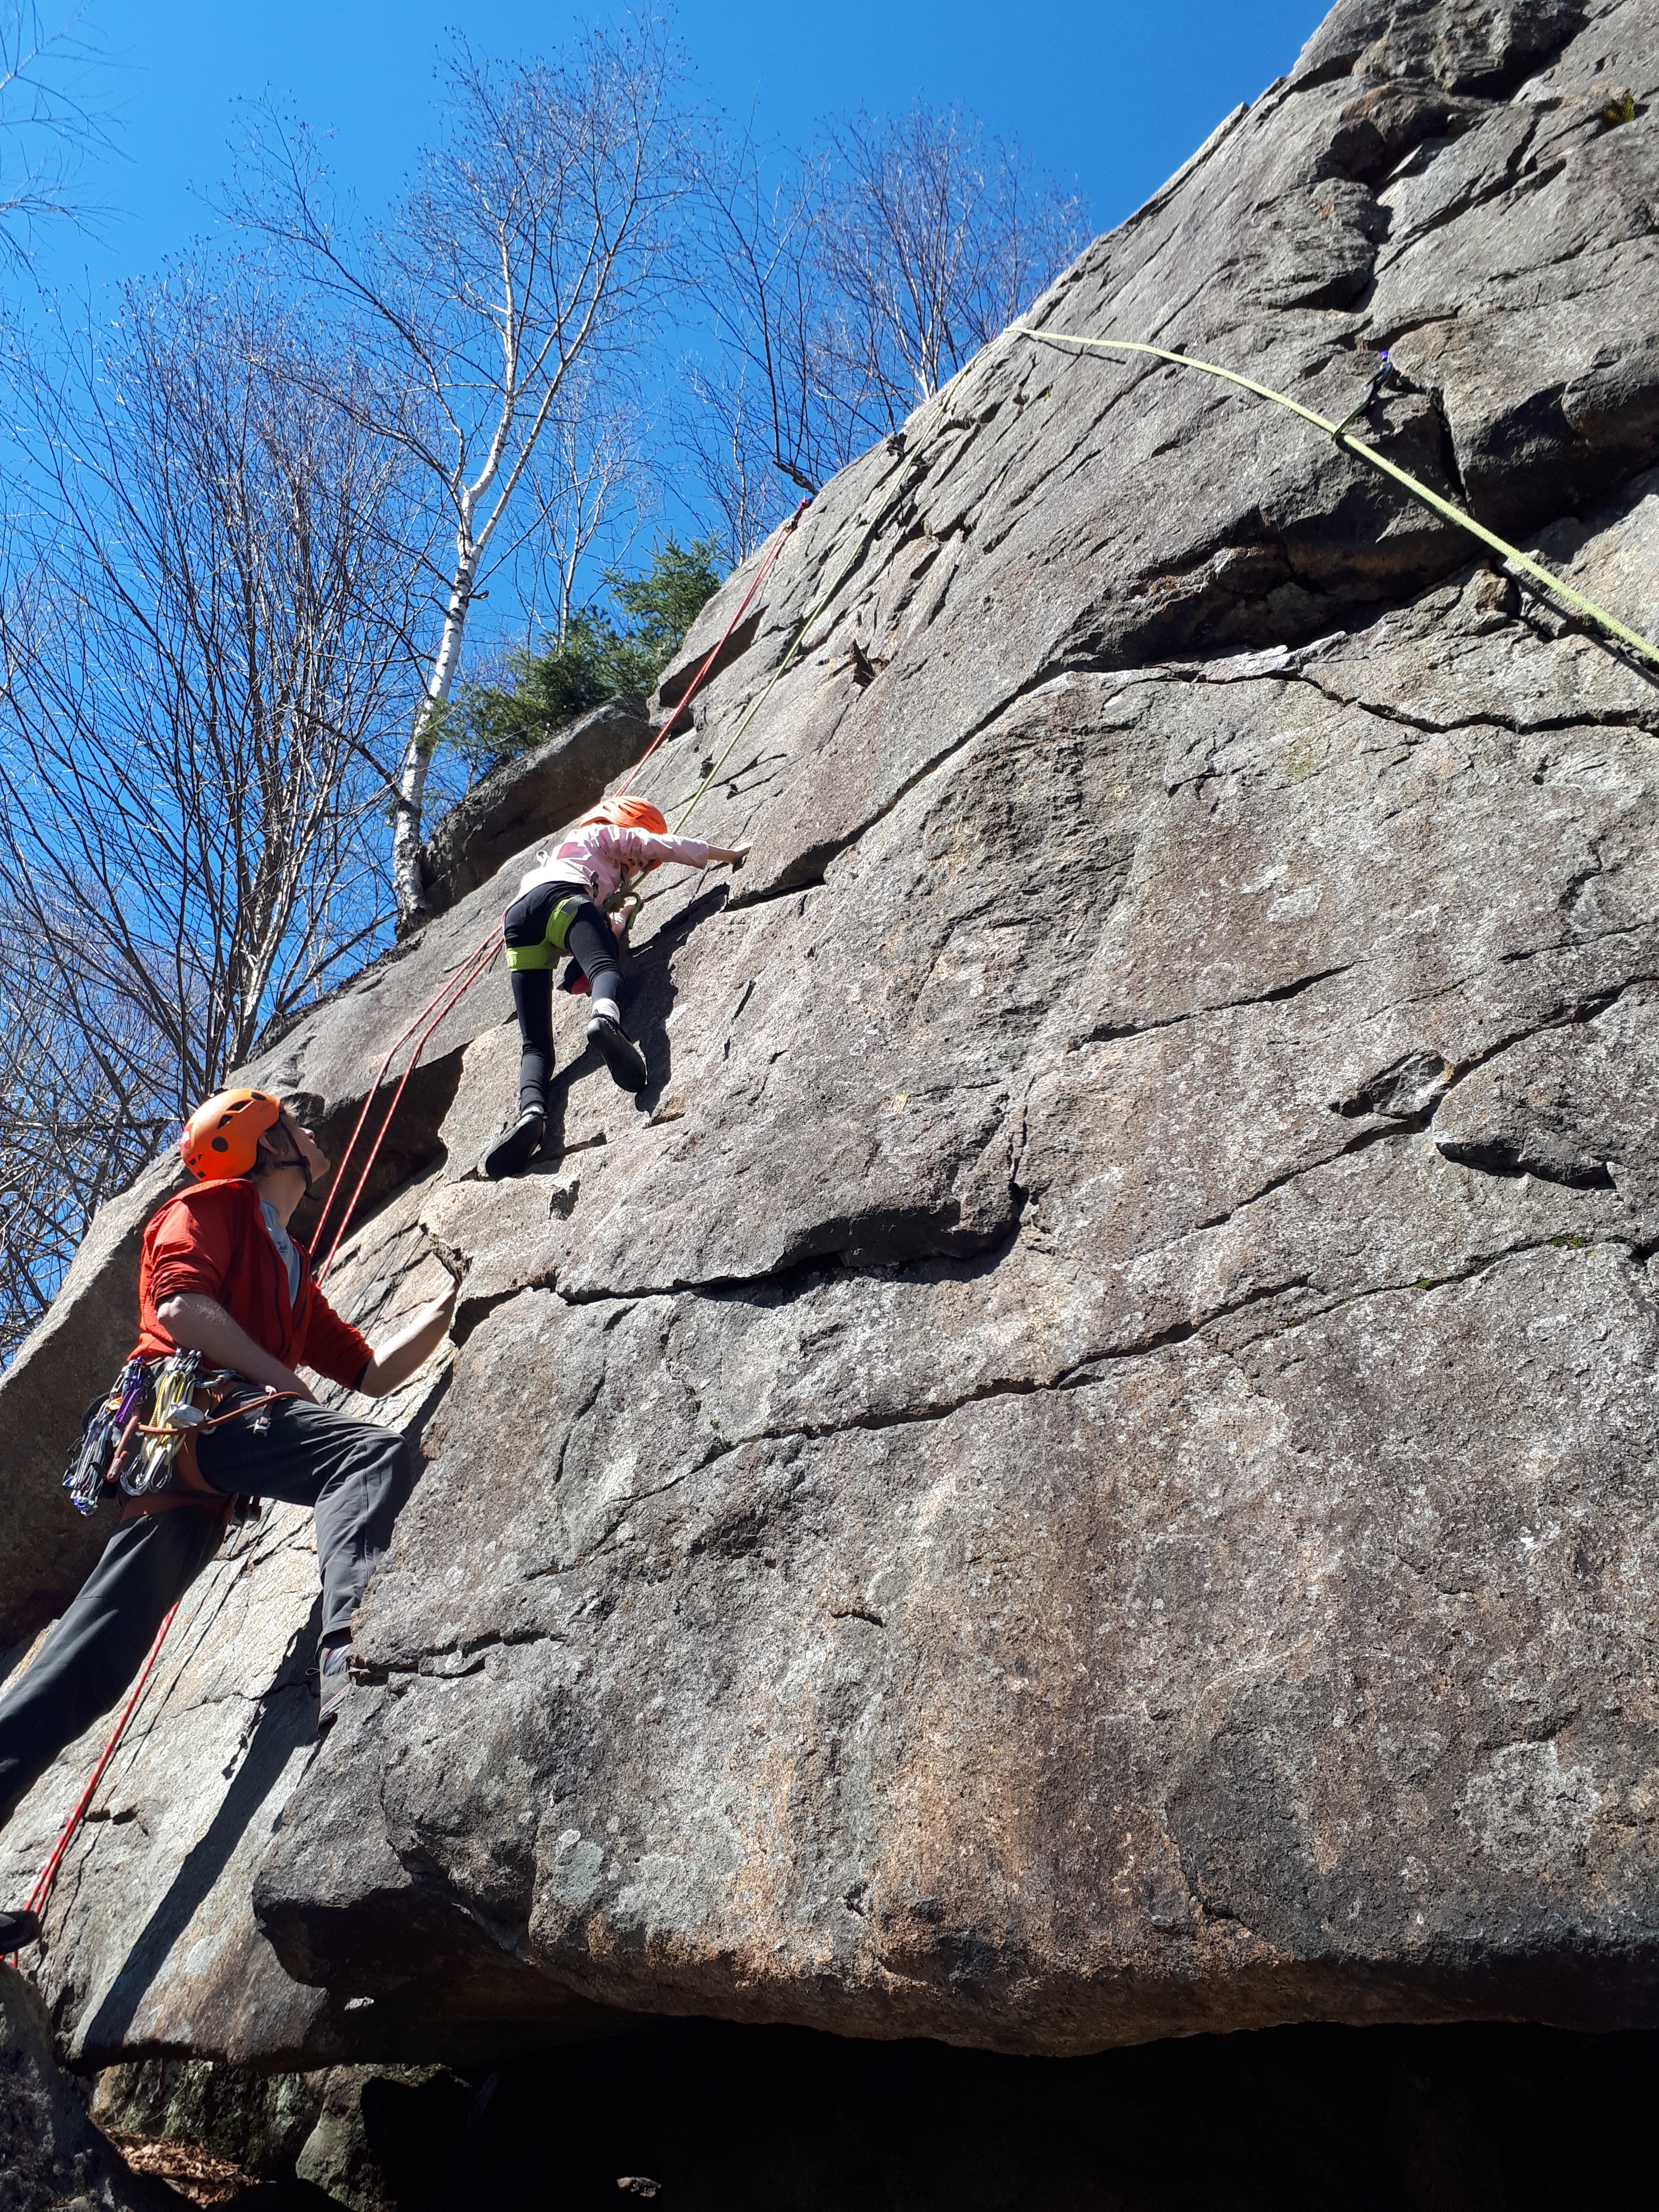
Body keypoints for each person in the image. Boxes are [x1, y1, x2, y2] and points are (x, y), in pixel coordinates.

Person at [0, 1087, 456, 1952]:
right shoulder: (213, 1205)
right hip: (198, 1413)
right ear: (257, 1143)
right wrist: (277, 1380)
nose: (311, 1130)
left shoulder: (287, 1263)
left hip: (192, 1469)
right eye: (292, 1122)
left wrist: (457, 1300)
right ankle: (352, 1661)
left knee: (87, 1668)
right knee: (361, 1457)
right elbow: (180, 1310)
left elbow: (371, 1371)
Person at [484, 795, 751, 1180]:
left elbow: (596, 931)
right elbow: (660, 846)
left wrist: (621, 914)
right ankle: (604, 1019)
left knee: (536, 1044)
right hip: (561, 899)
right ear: (628, 822)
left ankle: (531, 1113)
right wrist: (727, 855)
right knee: (604, 967)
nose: (641, 866)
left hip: (519, 922)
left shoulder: (568, 850)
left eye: (644, 867)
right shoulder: (605, 836)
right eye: (640, 862)